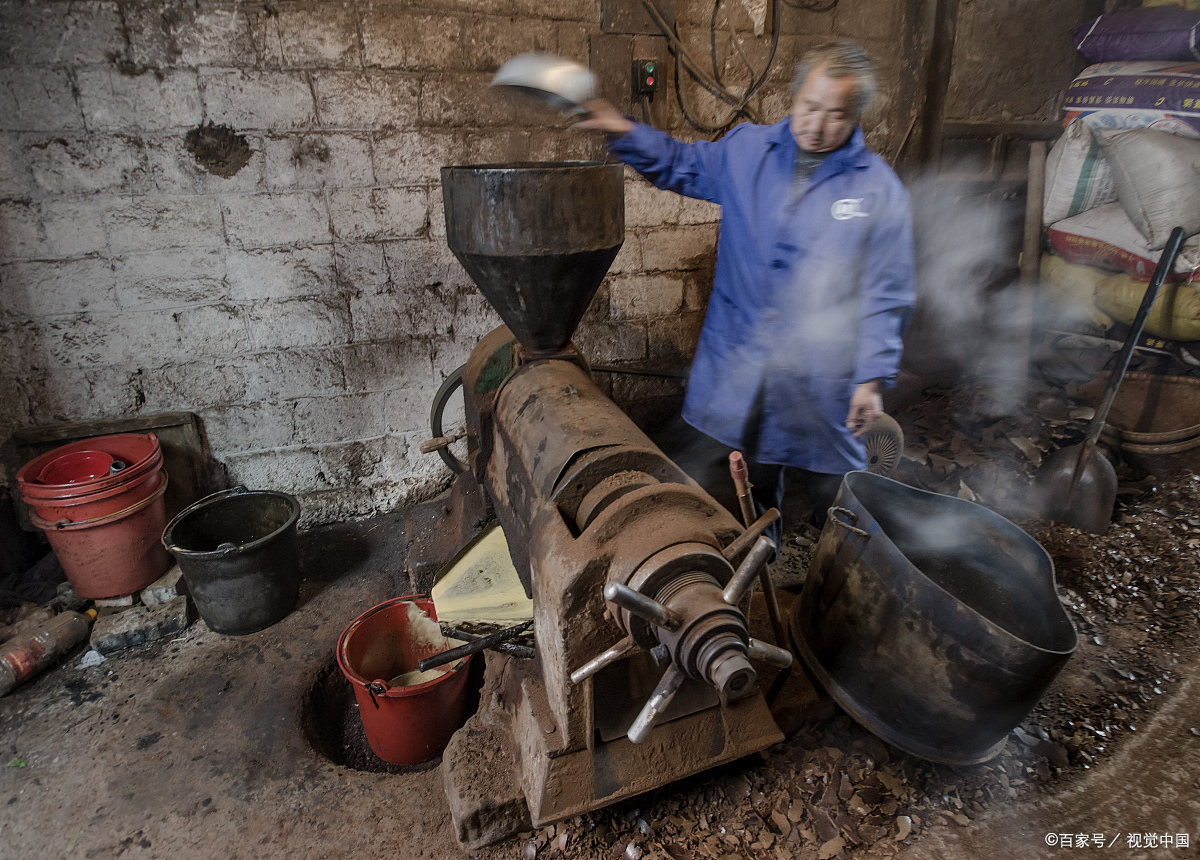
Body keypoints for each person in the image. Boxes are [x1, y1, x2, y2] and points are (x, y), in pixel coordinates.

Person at [576, 40, 916, 546]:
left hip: (821, 384)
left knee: (843, 501)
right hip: (743, 369)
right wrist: (622, 130)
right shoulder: (746, 150)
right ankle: (760, 579)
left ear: (857, 116)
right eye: (810, 107)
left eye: (837, 115)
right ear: (795, 96)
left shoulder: (877, 190)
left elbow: (885, 292)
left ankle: (855, 591)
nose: (818, 126)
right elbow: (680, 163)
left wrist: (870, 377)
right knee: (745, 489)